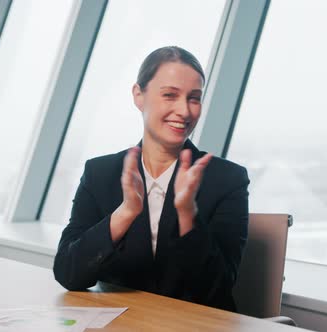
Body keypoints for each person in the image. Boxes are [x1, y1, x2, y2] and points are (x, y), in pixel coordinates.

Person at [53, 46, 250, 312]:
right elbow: (68, 273)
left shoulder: (227, 179)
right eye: (170, 95)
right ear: (139, 95)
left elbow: (216, 290)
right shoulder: (100, 173)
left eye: (194, 98)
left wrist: (187, 215)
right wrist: (124, 213)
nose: (184, 111)